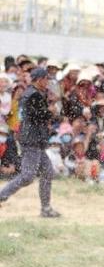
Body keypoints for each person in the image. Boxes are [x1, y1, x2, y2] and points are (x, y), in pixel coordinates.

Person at [0, 68, 61, 217]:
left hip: (34, 138)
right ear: (39, 79)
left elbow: (37, 115)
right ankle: (1, 195)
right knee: (27, 176)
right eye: (46, 78)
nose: (48, 81)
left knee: (47, 172)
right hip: (32, 139)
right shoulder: (33, 94)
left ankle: (45, 209)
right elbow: (38, 116)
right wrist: (51, 111)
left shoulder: (32, 93)